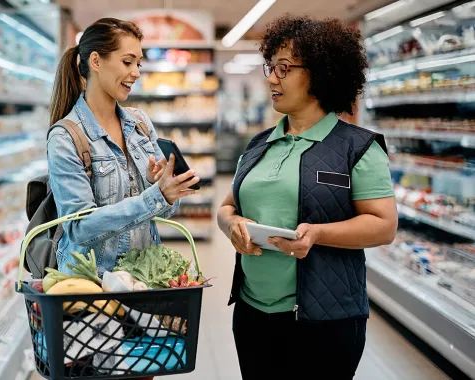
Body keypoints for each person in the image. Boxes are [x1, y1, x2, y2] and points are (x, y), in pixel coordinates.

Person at [216, 15, 398, 380]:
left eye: (284, 68)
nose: (271, 78)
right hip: (252, 313)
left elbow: (383, 225)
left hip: (325, 321)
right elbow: (227, 206)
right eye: (271, 67)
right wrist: (233, 224)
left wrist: (317, 234)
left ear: (320, 73)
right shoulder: (259, 145)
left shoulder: (356, 147)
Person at [47, 18, 200, 378]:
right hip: (94, 295)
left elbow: (165, 208)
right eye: (127, 62)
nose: (135, 73)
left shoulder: (139, 123)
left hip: (141, 290)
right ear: (96, 61)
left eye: (139, 64)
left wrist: (165, 189)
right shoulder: (67, 138)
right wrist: (152, 196)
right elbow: (80, 228)